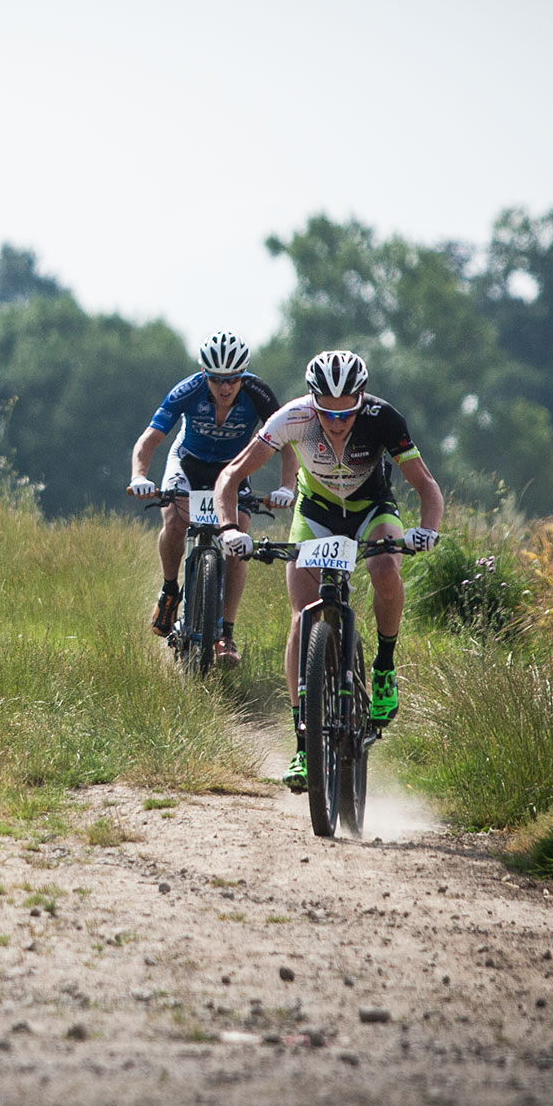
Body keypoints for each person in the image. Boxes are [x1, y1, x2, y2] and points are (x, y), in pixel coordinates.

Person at [214, 349, 444, 792]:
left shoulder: (384, 418)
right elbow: (231, 476)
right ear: (312, 401)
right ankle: (303, 744)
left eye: (347, 413)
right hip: (316, 514)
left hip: (371, 509)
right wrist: (228, 530)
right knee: (303, 619)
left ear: (361, 399)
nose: (337, 422)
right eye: (327, 413)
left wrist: (427, 530)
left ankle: (383, 668)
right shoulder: (292, 418)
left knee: (382, 567)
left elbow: (426, 485)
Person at [125, 331, 285, 668]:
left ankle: (226, 632)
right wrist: (140, 476)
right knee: (174, 518)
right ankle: (170, 591)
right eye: (216, 380)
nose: (225, 388)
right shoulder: (187, 391)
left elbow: (288, 444)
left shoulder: (258, 394)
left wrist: (287, 488)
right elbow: (149, 440)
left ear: (243, 376)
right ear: (203, 375)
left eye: (232, 380)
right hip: (188, 462)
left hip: (232, 470)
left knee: (239, 534)